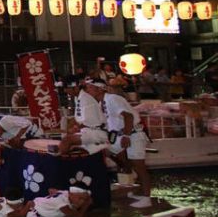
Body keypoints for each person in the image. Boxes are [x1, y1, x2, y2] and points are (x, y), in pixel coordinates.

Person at [104, 78, 152, 208]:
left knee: (140, 166)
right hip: (120, 135)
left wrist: (126, 135)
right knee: (105, 151)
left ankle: (147, 198)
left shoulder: (112, 99)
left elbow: (128, 116)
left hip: (133, 134)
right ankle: (130, 175)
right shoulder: (104, 101)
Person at [59, 79, 109, 156]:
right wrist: (68, 130)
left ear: (75, 88)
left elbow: (85, 122)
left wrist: (72, 129)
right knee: (67, 138)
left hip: (96, 132)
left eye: (67, 89)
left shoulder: (85, 99)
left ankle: (62, 164)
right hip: (89, 130)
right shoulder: (78, 98)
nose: (66, 91)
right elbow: (77, 119)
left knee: (67, 140)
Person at [28, 183, 92, 217]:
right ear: (71, 194)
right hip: (36, 214)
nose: (82, 202)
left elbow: (51, 190)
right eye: (80, 198)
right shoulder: (62, 203)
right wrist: (86, 205)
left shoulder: (67, 193)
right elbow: (78, 216)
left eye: (84, 199)